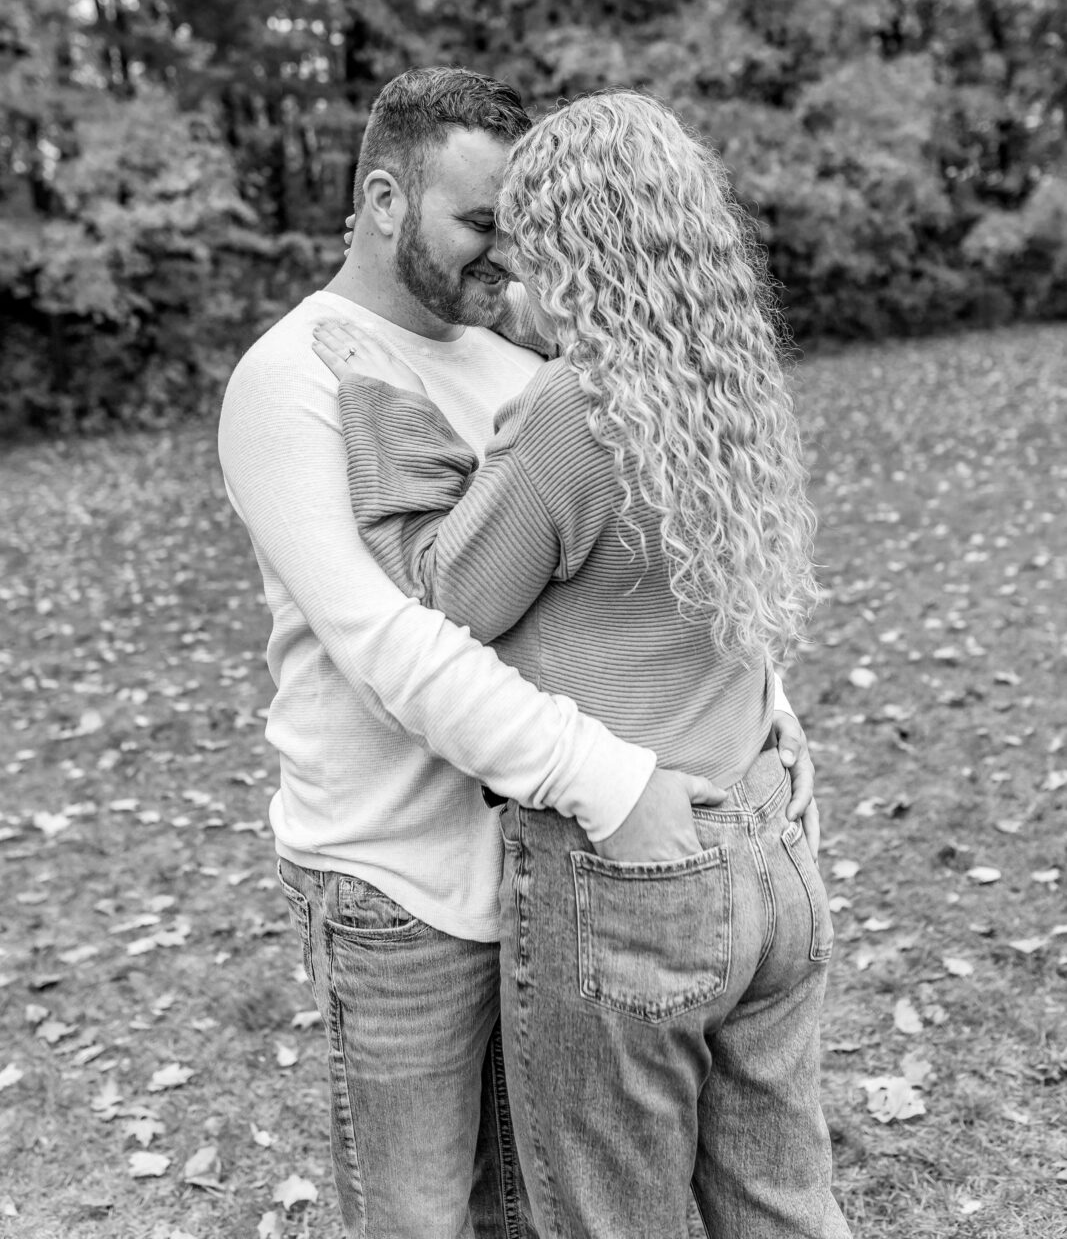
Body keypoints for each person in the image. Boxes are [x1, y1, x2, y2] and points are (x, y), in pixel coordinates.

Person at [218, 68, 820, 1239]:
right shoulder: (287, 379)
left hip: (576, 874)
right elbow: (398, 641)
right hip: (411, 882)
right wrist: (616, 779)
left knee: (550, 1211)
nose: (507, 259)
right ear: (384, 200)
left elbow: (652, 559)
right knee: (426, 1217)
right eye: (483, 225)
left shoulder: (523, 352)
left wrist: (764, 707)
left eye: (525, 227)